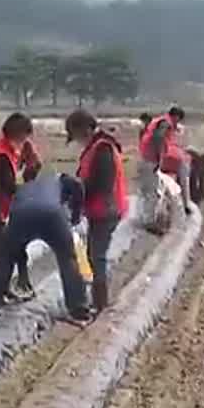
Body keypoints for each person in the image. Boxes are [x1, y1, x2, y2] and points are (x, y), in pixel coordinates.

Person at [0, 171, 91, 322]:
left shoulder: (26, 187)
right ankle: (79, 308)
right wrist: (76, 214)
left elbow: (18, 249)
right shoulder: (61, 179)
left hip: (20, 214)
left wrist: (23, 272)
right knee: (67, 259)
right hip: (52, 215)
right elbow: (78, 185)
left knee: (4, 258)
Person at [68, 110, 129, 312]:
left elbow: (101, 183)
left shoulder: (103, 149)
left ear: (84, 129)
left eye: (75, 135)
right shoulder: (95, 147)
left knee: (96, 256)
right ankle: (97, 300)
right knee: (92, 254)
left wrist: (78, 194)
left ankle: (100, 304)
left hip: (106, 209)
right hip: (99, 210)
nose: (76, 141)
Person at [0, 113, 39, 300]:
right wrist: (30, 192)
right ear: (18, 133)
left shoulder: (5, 148)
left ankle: (2, 291)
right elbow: (9, 186)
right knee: (4, 257)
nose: (26, 141)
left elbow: (30, 164)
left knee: (7, 252)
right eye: (25, 136)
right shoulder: (1, 155)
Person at [137, 105, 189, 224]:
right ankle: (149, 221)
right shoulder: (165, 123)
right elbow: (159, 137)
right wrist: (160, 158)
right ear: (176, 117)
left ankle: (143, 216)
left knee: (146, 190)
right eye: (178, 120)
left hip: (145, 157)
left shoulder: (158, 121)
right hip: (152, 159)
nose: (178, 123)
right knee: (152, 191)